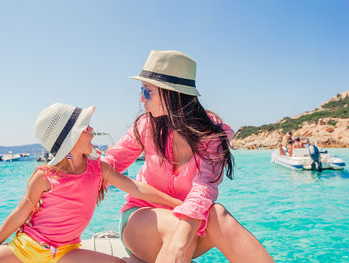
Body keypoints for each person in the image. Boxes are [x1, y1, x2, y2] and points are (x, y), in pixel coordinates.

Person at [104, 50, 274, 262]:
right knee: (180, 226)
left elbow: (204, 189)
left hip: (187, 230)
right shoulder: (145, 125)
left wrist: (181, 241)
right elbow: (110, 162)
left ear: (172, 94)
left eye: (147, 91)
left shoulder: (211, 135)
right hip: (141, 222)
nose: (141, 98)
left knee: (217, 215)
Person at [0, 103, 182, 263]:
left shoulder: (99, 169)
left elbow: (137, 188)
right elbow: (19, 214)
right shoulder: (44, 176)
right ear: (70, 141)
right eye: (85, 128)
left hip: (65, 252)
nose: (91, 131)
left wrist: (176, 203)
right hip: (27, 247)